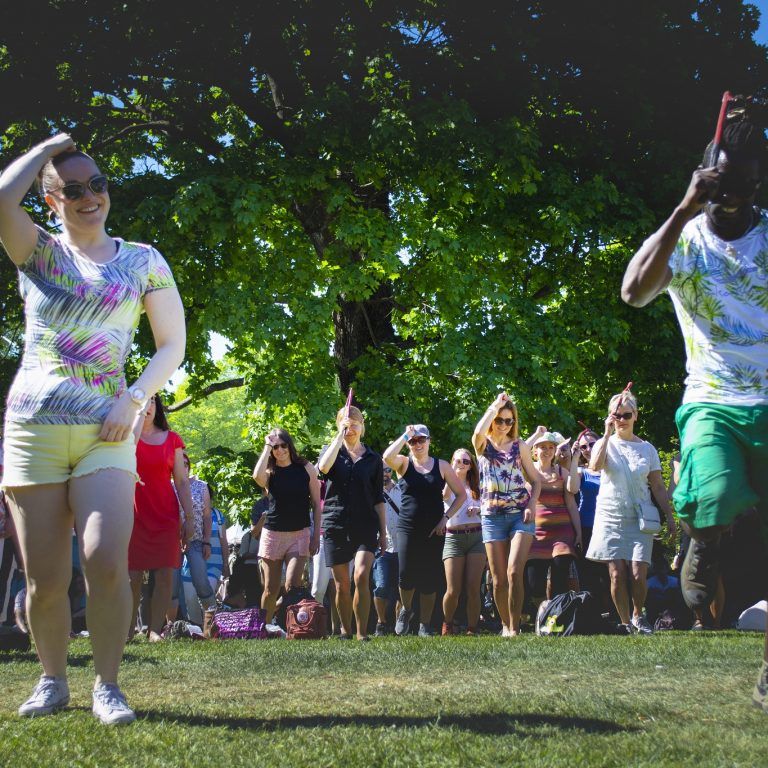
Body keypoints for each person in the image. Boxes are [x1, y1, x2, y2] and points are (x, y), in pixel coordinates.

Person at [0, 135, 186, 723]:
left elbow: (171, 345)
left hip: (108, 431)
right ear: (51, 200)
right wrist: (49, 146)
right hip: (34, 431)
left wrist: (134, 400)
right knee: (46, 579)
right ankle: (53, 679)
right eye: (73, 189)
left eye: (97, 184)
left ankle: (108, 685)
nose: (90, 197)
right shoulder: (39, 252)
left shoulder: (143, 259)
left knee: (106, 558)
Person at [622, 104, 768, 705]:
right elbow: (633, 292)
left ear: (756, 184)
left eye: (736, 188)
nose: (724, 199)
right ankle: (702, 539)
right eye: (713, 187)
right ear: (699, 179)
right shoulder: (684, 239)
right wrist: (682, 209)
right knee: (713, 487)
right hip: (713, 399)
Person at [586, 391, 676, 634]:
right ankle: (625, 622)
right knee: (616, 574)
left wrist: (669, 515)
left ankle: (638, 614)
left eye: (627, 414)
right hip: (610, 515)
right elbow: (594, 466)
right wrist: (605, 433)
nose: (622, 419)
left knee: (638, 571)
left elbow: (657, 485)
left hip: (639, 517)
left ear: (635, 415)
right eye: (617, 415)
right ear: (610, 417)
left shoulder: (647, 449)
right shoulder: (605, 443)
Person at [384, 424, 466, 636]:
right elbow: (386, 457)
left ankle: (424, 625)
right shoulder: (403, 463)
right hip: (408, 527)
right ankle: (407, 609)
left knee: (430, 580)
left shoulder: (442, 466)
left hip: (434, 530)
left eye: (421, 440)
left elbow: (461, 495)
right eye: (413, 441)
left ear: (429, 441)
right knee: (405, 576)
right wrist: (404, 435)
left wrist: (445, 519)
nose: (417, 444)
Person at [472, 393, 540, 636]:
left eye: (509, 421)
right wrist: (495, 406)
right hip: (491, 516)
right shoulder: (483, 445)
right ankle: (505, 625)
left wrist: (532, 504)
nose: (503, 425)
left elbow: (537, 479)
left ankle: (515, 626)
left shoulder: (520, 446)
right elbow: (479, 431)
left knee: (514, 571)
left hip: (520, 514)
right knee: (498, 579)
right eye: (500, 420)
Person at [318, 406, 387, 640]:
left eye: (356, 422)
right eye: (346, 423)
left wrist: (384, 533)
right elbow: (323, 468)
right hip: (335, 522)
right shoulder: (331, 452)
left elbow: (379, 499)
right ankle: (345, 631)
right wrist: (338, 437)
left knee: (361, 576)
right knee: (342, 585)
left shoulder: (373, 458)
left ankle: (361, 632)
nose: (351, 427)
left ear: (362, 426)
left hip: (366, 524)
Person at [128, 394, 194, 641]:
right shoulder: (127, 435)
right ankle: (128, 628)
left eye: (153, 401)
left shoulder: (173, 439)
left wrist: (189, 518)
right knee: (132, 576)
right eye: (143, 401)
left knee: (165, 574)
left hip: (166, 514)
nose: (148, 407)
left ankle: (155, 629)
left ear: (159, 407)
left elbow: (182, 482)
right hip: (133, 514)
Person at [253, 428, 321, 625]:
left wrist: (316, 536)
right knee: (270, 588)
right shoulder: (270, 471)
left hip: (300, 534)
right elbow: (257, 477)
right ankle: (263, 628)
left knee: (293, 585)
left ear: (289, 446)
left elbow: (317, 504)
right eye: (275, 447)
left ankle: (292, 626)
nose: (280, 450)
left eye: (283, 445)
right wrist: (266, 446)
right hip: (272, 534)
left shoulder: (306, 467)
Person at [526, 432, 582, 604]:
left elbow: (572, 500)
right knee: (535, 584)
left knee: (560, 582)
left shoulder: (561, 472)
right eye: (542, 447)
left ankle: (557, 620)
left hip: (562, 535)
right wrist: (536, 435)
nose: (547, 451)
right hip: (535, 535)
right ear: (534, 451)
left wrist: (578, 533)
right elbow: (516, 453)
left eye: (551, 447)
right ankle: (542, 617)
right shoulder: (527, 471)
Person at [441, 449, 486, 636]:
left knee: (474, 587)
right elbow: (444, 496)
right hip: (454, 537)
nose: (461, 464)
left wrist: (478, 508)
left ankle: (472, 627)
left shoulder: (477, 485)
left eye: (466, 462)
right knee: (453, 589)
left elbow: (488, 504)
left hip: (476, 536)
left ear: (471, 466)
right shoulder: (448, 482)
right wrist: (453, 473)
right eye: (458, 460)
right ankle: (448, 623)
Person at [372, 463, 401, 636]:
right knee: (381, 586)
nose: (385, 473)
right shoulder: (371, 492)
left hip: (402, 546)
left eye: (388, 469)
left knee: (402, 588)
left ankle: (399, 625)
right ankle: (381, 623)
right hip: (382, 547)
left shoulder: (402, 490)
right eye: (381, 469)